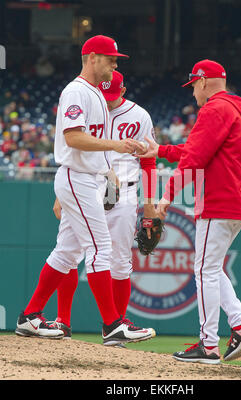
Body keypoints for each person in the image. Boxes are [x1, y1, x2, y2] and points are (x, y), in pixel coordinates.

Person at [15, 35, 155, 346]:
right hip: (77, 178)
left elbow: (89, 146)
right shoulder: (76, 91)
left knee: (66, 252)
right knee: (100, 249)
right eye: (110, 59)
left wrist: (108, 171)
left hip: (88, 178)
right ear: (92, 57)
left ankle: (30, 316)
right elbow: (74, 139)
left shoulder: (93, 94)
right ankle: (112, 324)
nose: (115, 64)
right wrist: (115, 146)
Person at [137, 59, 241, 364]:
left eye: (193, 85)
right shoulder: (233, 110)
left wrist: (166, 198)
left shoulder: (214, 109)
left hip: (219, 202)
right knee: (212, 268)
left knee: (204, 270)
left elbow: (193, 161)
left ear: (203, 81)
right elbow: (197, 150)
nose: (192, 93)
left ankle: (208, 345)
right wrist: (162, 151)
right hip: (236, 203)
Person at [49, 70, 158, 341]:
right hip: (85, 186)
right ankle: (63, 320)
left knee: (120, 262)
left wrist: (149, 208)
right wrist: (61, 195)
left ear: (123, 91)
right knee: (68, 253)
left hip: (124, 193)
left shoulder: (139, 116)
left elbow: (148, 162)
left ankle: (116, 326)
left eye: (113, 95)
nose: (107, 99)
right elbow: (73, 150)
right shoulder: (88, 103)